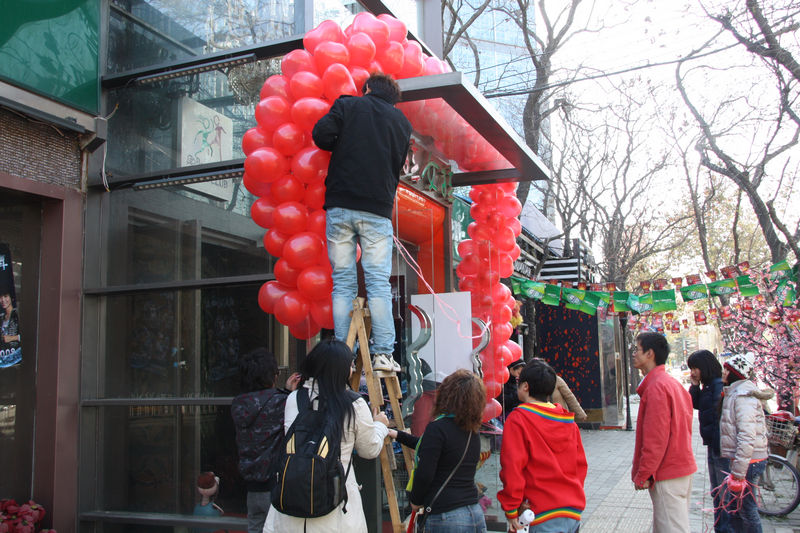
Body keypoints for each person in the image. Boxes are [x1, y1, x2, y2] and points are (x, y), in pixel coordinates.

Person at [312, 73, 412, 373]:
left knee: (343, 283)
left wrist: (345, 141)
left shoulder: (348, 106)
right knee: (378, 283)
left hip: (341, 205)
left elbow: (321, 135)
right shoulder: (402, 123)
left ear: (367, 88)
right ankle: (383, 353)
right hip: (377, 211)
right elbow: (398, 165)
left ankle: (344, 354)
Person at [264, 339, 390, 533]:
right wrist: (380, 426)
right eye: (350, 365)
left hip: (290, 508)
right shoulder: (354, 403)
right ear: (342, 370)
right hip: (337, 508)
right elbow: (369, 450)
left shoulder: (294, 398)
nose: (352, 369)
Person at [388, 369, 486, 532]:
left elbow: (425, 473)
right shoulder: (472, 431)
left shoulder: (438, 428)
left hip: (447, 515)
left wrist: (415, 500)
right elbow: (432, 447)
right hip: (474, 512)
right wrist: (399, 435)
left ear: (447, 396)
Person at [498, 360, 587, 533]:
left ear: (525, 386)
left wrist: (511, 507)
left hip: (540, 512)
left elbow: (512, 468)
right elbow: (580, 466)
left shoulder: (519, 419)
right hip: (572, 510)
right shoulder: (568, 422)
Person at [631, 332, 697, 532]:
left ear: (649, 354)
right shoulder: (671, 383)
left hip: (667, 472)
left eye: (637, 349)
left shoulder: (657, 387)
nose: (633, 354)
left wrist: (643, 473)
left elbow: (655, 439)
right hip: (679, 468)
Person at [230, 348, 301, 533]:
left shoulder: (238, 404)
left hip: (252, 490)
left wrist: (285, 392)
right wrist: (288, 393)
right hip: (274, 487)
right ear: (272, 375)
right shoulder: (280, 402)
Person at [719, 352, 772, 533]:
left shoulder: (743, 396)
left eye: (727, 370)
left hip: (749, 461)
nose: (723, 373)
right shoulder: (736, 392)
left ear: (735, 373)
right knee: (738, 508)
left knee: (747, 509)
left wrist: (739, 471)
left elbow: (747, 435)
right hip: (745, 460)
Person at [687, 349, 730, 533]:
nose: (692, 372)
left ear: (704, 367)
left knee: (723, 492)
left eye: (695, 368)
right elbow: (695, 404)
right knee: (717, 490)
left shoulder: (718, 386)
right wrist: (695, 386)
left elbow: (720, 418)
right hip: (714, 444)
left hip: (720, 446)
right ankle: (720, 527)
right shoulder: (708, 386)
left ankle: (725, 528)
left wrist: (718, 445)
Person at [0, 289, 21, 368]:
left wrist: (12, 338)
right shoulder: (1, 317)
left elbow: (29, 337)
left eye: (5, 296)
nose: (3, 300)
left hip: (16, 360)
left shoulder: (17, 314)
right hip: (4, 360)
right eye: (0, 297)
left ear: (11, 298)